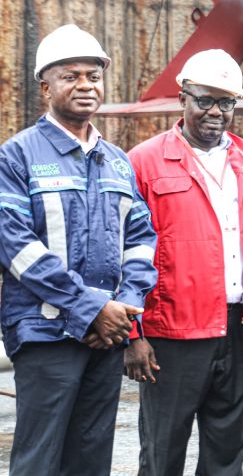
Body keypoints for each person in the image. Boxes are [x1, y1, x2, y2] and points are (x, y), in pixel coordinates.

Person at [0, 24, 158, 475]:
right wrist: (91, 309)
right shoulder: (16, 156)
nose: (86, 85)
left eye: (94, 75)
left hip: (105, 336)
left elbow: (141, 241)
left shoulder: (118, 162)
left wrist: (125, 310)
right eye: (71, 76)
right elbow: (17, 247)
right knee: (39, 459)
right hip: (45, 334)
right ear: (45, 87)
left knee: (91, 459)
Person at [126, 49, 243, 476]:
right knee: (163, 451)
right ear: (182, 99)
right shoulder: (144, 161)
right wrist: (132, 334)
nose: (215, 112)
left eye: (226, 102)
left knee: (228, 451)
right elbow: (123, 250)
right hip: (171, 333)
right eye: (204, 100)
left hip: (237, 328)